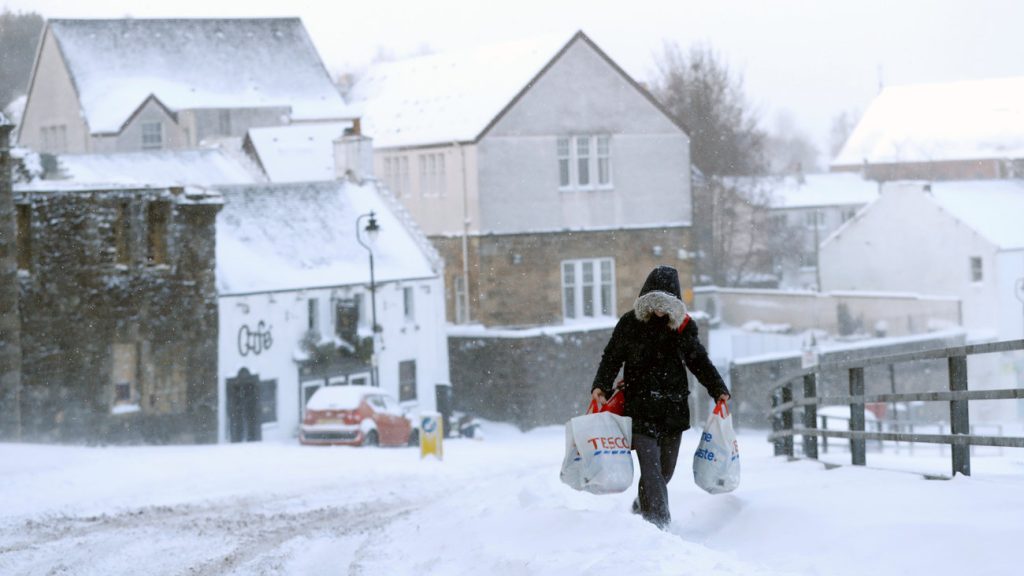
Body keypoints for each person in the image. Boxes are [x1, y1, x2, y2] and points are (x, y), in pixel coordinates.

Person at [591, 265, 730, 529]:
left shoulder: (682, 328)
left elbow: (698, 361)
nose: (660, 309)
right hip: (640, 407)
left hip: (673, 408)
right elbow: (611, 357)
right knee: (651, 470)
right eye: (655, 303)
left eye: (666, 304)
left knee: (665, 471)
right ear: (646, 300)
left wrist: (718, 389)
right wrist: (601, 385)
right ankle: (658, 524)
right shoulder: (630, 324)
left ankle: (642, 505)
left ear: (674, 305)